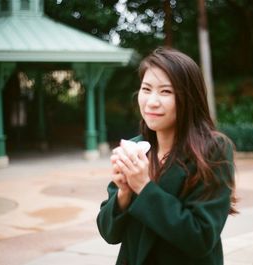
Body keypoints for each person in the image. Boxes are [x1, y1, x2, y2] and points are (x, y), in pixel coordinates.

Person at [97, 47, 237, 265]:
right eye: (146, 89)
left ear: (189, 98)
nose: (152, 101)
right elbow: (109, 233)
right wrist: (124, 192)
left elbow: (201, 237)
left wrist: (143, 187)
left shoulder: (212, 150)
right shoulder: (136, 147)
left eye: (166, 92)